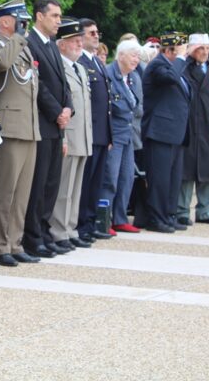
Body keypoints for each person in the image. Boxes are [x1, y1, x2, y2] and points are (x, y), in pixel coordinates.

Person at [0, 0, 41, 265]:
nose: (25, 26)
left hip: (29, 128)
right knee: (5, 191)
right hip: (9, 127)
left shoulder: (23, 48)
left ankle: (15, 242)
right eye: (21, 21)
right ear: (6, 21)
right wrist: (18, 38)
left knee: (22, 194)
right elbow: (1, 65)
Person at [23, 0, 72, 258]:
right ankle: (32, 237)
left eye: (59, 16)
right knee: (38, 184)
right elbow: (37, 84)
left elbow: (63, 84)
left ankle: (44, 230)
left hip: (56, 125)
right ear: (39, 16)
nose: (58, 21)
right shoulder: (29, 43)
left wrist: (67, 108)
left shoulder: (52, 45)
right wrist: (56, 112)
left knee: (52, 183)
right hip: (41, 122)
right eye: (54, 16)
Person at [139, 32, 191, 233]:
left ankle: (168, 214)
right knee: (159, 178)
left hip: (176, 132)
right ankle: (156, 217)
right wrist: (179, 58)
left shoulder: (176, 67)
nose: (183, 56)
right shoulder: (158, 65)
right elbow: (169, 78)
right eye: (180, 51)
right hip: (159, 131)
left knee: (173, 178)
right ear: (169, 50)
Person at [49, 20, 93, 249]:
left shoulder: (81, 69)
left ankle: (70, 227)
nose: (80, 44)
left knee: (76, 187)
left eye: (80, 41)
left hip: (83, 136)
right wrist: (63, 137)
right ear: (62, 44)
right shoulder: (60, 67)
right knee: (64, 188)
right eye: (75, 41)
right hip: (69, 135)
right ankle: (59, 230)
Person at [176, 33, 209, 225]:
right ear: (192, 49)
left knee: (208, 169)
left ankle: (205, 210)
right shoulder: (184, 67)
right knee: (186, 170)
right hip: (188, 125)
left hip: (208, 127)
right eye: (200, 49)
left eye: (207, 48)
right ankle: (181, 210)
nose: (205, 52)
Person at [76, 18, 112, 242]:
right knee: (85, 183)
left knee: (95, 183)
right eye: (91, 33)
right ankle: (81, 225)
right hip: (87, 133)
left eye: (97, 32)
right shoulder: (80, 61)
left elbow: (105, 102)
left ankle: (90, 223)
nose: (96, 36)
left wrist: (109, 134)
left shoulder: (97, 62)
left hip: (100, 133)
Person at [101, 39, 142, 233]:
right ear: (121, 55)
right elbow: (111, 106)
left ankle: (120, 217)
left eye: (138, 56)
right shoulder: (109, 74)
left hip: (128, 134)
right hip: (114, 133)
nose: (137, 59)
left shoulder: (133, 77)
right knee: (110, 176)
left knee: (127, 177)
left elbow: (139, 106)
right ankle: (104, 218)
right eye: (133, 55)